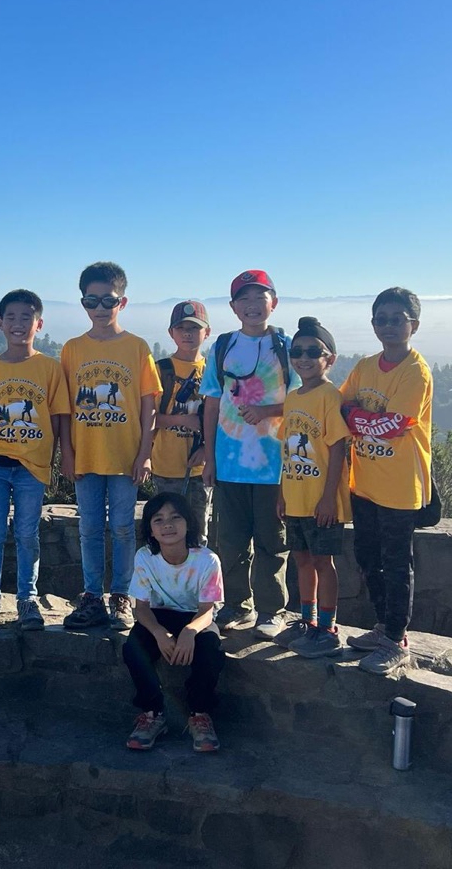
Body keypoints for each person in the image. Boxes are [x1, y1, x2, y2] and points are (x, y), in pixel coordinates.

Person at [60, 261, 162, 632]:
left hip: (125, 457)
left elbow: (150, 404)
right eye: (92, 300)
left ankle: (120, 595)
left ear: (123, 302)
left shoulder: (136, 347)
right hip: (85, 455)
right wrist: (67, 453)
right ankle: (91, 595)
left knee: (121, 527)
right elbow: (64, 408)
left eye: (109, 301)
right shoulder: (71, 349)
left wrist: (145, 453)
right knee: (88, 528)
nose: (100, 309)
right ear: (83, 302)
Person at [200, 270, 298, 640]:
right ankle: (236, 604)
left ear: (274, 302)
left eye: (260, 297)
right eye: (244, 299)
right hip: (229, 462)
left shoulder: (288, 348)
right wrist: (209, 457)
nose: (253, 305)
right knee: (231, 540)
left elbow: (304, 400)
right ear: (233, 307)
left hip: (275, 465)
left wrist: (269, 412)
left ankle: (271, 610)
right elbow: (210, 404)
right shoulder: (223, 346)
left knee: (273, 541)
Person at [340, 287, 433, 675]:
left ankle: (397, 640)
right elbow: (341, 405)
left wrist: (357, 416)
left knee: (397, 565)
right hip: (365, 484)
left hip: (400, 488)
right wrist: (360, 416)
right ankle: (383, 627)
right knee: (368, 559)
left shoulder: (416, 371)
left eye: (397, 319)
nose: (389, 326)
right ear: (373, 324)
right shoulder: (365, 366)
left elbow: (393, 426)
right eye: (382, 319)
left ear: (414, 324)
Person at [0, 289, 71, 636]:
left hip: (33, 466)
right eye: (10, 317)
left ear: (39, 324)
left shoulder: (50, 368)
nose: (18, 324)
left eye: (26, 317)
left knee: (28, 534)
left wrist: (58, 459)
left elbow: (58, 418)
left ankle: (28, 599)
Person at [123, 492, 225, 752]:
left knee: (210, 648)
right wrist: (159, 633)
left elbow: (206, 609)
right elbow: (141, 608)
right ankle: (152, 714)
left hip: (195, 616)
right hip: (160, 615)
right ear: (150, 530)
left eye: (175, 517)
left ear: (188, 523)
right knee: (133, 647)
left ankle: (200, 714)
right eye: (158, 520)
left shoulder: (207, 560)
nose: (167, 524)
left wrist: (190, 631)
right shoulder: (145, 558)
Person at [277, 318, 351, 659]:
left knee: (323, 561)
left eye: (313, 352)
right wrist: (281, 492)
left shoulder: (328, 396)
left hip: (321, 500)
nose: (303, 358)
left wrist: (328, 497)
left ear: (329, 358)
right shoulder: (293, 398)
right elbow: (287, 449)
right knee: (301, 559)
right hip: (295, 497)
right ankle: (307, 621)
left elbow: (337, 448)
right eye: (297, 351)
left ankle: (327, 628)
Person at [151, 300, 212, 542]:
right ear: (171, 333)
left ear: (206, 332)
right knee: (166, 535)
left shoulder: (213, 372)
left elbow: (223, 419)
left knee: (197, 534)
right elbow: (147, 419)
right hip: (165, 466)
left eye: (194, 328)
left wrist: (207, 449)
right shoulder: (160, 370)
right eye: (181, 328)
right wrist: (184, 421)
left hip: (199, 470)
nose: (187, 334)